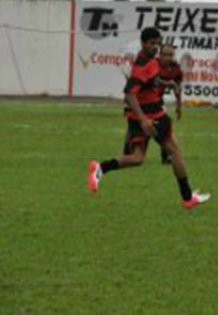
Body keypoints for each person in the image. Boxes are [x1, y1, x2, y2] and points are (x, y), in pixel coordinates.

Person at [87, 27, 210, 210]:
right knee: (175, 152)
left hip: (144, 115)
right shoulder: (142, 66)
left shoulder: (151, 61)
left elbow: (152, 81)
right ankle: (187, 198)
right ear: (143, 43)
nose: (155, 47)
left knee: (137, 158)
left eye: (157, 43)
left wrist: (166, 83)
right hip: (150, 115)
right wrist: (144, 120)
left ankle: (100, 168)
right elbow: (129, 93)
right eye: (152, 43)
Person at [157, 44, 184, 165]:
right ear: (160, 55)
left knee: (166, 126)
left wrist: (178, 106)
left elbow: (177, 88)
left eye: (171, 55)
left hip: (159, 103)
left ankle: (166, 156)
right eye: (165, 54)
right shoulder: (153, 65)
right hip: (146, 101)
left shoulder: (176, 69)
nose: (168, 57)